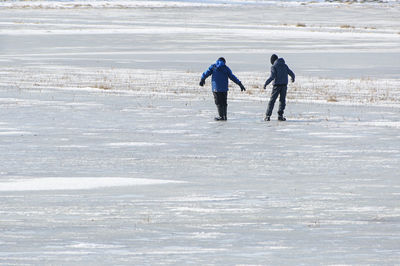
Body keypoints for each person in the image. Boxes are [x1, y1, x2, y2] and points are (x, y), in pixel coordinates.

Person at [263, 54, 295, 121]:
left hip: (276, 86)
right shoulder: (284, 65)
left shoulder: (274, 66)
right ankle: (280, 116)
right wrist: (293, 78)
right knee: (282, 101)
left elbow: (272, 77)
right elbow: (291, 73)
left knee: (272, 101)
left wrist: (266, 83)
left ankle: (268, 116)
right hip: (284, 86)